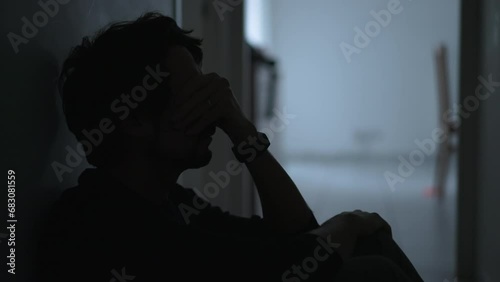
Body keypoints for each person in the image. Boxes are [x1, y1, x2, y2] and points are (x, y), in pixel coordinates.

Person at [36, 12, 424, 282]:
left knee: (366, 244)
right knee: (371, 269)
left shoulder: (165, 199)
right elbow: (299, 260)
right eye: (195, 95)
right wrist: (350, 221)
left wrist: (241, 129)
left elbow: (294, 233)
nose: (214, 107)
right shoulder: (107, 223)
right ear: (134, 119)